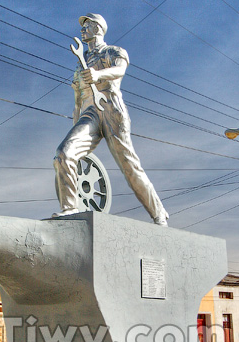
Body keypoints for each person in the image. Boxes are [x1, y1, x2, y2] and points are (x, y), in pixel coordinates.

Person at [53, 14, 169, 225]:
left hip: (111, 110)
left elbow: (120, 70)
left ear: (97, 28)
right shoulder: (80, 65)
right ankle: (70, 209)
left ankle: (158, 212)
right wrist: (75, 132)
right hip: (89, 115)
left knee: (129, 166)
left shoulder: (112, 52)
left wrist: (98, 75)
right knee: (64, 154)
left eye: (86, 26)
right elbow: (78, 101)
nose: (82, 30)